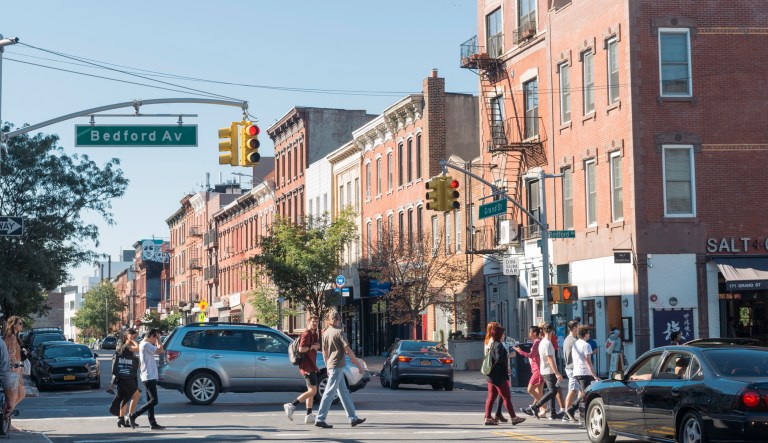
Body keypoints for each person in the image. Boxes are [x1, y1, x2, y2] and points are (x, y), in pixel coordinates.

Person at [314, 309, 366, 429]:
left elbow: (324, 352)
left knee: (343, 392)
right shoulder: (340, 333)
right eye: (339, 319)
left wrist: (327, 366)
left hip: (333, 365)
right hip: (338, 366)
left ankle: (353, 418)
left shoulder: (325, 333)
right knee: (330, 392)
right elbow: (348, 350)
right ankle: (320, 418)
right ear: (337, 320)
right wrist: (359, 365)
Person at [483, 322, 525, 426]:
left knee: (491, 397)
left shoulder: (492, 343)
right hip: (499, 376)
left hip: (491, 375)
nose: (504, 335)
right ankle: (514, 418)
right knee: (506, 397)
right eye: (503, 333)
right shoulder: (498, 345)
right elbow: (499, 359)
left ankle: (488, 417)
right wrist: (508, 357)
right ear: (499, 334)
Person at [284, 315, 321, 424]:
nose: (315, 323)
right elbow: (301, 349)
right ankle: (291, 405)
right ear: (308, 322)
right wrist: (313, 347)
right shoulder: (306, 334)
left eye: (316, 322)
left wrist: (315, 345)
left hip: (311, 365)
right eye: (313, 321)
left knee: (311, 391)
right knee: (313, 391)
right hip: (307, 366)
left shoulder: (314, 334)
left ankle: (309, 415)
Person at [522, 324, 564, 420]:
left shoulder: (542, 343)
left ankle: (553, 413)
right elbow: (550, 359)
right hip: (548, 370)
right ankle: (536, 406)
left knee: (553, 390)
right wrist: (557, 372)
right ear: (551, 331)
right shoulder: (547, 343)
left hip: (544, 370)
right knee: (552, 391)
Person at [128, 328, 165, 430]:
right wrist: (159, 341)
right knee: (154, 400)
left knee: (150, 401)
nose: (155, 340)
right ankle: (134, 415)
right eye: (156, 338)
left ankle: (152, 422)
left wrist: (157, 341)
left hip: (148, 375)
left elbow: (160, 350)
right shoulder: (146, 344)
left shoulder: (143, 344)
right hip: (149, 376)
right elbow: (160, 351)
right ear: (152, 336)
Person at [566, 325, 600, 419]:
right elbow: (588, 361)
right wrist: (594, 375)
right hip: (584, 372)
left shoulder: (576, 344)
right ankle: (572, 409)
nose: (589, 335)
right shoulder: (586, 345)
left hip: (576, 372)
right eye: (588, 333)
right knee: (586, 394)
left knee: (583, 393)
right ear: (585, 334)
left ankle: (580, 413)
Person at [113, 329, 141, 428]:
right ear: (129, 335)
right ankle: (130, 417)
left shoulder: (123, 346)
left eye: (136, 337)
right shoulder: (126, 346)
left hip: (125, 375)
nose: (135, 339)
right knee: (136, 395)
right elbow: (138, 348)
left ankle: (121, 419)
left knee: (125, 398)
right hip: (126, 376)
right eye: (134, 336)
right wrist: (132, 340)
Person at [514, 326, 544, 417]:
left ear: (535, 333)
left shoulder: (537, 342)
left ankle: (544, 406)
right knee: (539, 391)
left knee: (530, 389)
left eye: (530, 331)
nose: (529, 333)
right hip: (537, 369)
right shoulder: (536, 342)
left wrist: (520, 351)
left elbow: (531, 355)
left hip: (538, 370)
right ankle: (536, 408)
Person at [3, 316, 25, 413]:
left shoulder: (15, 336)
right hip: (12, 370)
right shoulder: (11, 337)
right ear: (13, 325)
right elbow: (11, 355)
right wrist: (16, 367)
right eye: (19, 323)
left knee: (21, 394)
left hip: (17, 370)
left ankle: (5, 414)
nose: (21, 325)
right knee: (13, 397)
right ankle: (7, 419)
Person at [562, 320, 581, 422]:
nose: (579, 330)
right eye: (578, 328)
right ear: (574, 328)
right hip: (573, 368)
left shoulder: (567, 339)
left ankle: (571, 411)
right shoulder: (573, 340)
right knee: (573, 390)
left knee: (580, 390)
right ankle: (567, 413)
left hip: (571, 367)